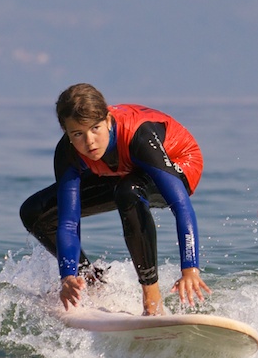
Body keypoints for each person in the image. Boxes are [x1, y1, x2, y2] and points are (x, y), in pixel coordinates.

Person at [20, 83, 210, 315]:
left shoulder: (140, 136)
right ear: (66, 133)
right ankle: (89, 281)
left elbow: (181, 206)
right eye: (77, 134)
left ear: (108, 120)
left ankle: (152, 298)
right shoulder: (68, 151)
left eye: (95, 128)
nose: (89, 142)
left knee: (128, 191)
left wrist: (189, 269)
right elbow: (68, 221)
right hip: (121, 170)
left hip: (177, 164)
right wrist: (67, 276)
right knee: (34, 212)